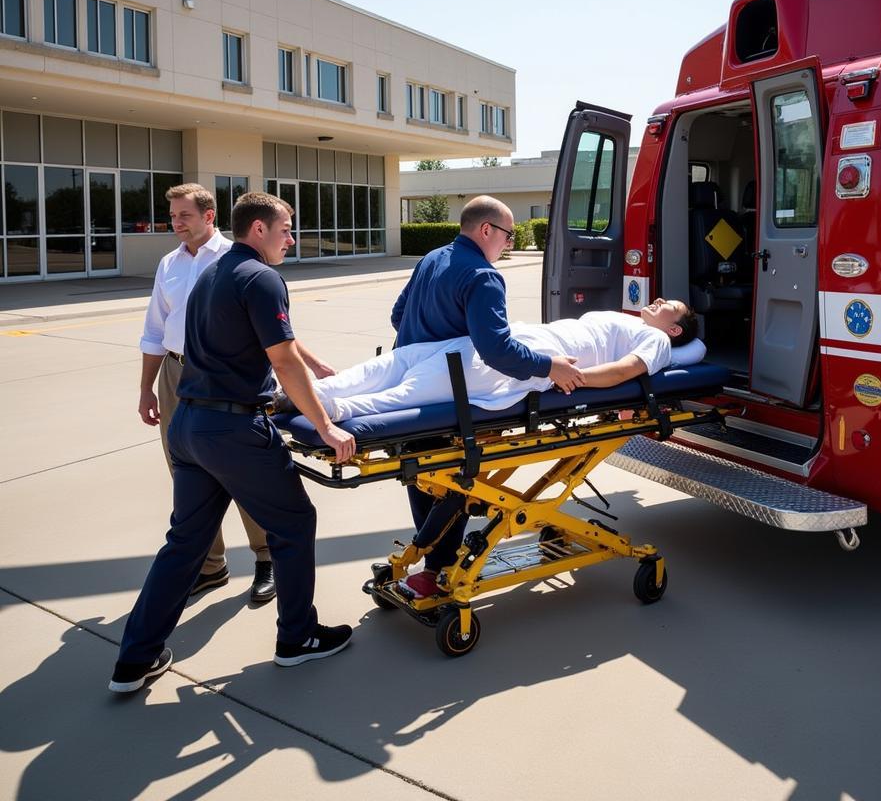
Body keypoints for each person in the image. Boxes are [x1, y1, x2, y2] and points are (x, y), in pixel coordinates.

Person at [109, 192, 356, 694]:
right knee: (294, 521)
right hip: (232, 430)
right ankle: (298, 638)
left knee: (184, 542)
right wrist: (325, 427)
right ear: (258, 230)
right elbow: (284, 361)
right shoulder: (261, 278)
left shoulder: (209, 276)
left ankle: (134, 661)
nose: (292, 238)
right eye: (286, 228)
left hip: (189, 427)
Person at [139, 183, 332, 605]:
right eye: (172, 216)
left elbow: (274, 336)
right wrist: (146, 389)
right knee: (188, 475)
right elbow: (155, 329)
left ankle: (266, 558)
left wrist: (311, 364)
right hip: (180, 377)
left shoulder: (230, 262)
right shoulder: (170, 264)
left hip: (225, 386)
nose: (175, 223)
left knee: (242, 476)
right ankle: (210, 567)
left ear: (209, 217)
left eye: (183, 215)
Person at [389, 195, 585, 598]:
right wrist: (551, 367)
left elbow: (398, 315)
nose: (509, 244)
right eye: (508, 236)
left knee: (424, 476)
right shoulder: (483, 275)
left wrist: (431, 345)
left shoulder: (431, 258)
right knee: (457, 482)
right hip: (449, 398)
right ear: (486, 231)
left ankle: (430, 558)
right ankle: (439, 568)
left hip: (408, 391)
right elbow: (497, 349)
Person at [288, 299, 700, 421]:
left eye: (671, 306)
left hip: (520, 366)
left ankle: (330, 409)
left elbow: (625, 372)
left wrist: (573, 379)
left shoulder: (656, 341)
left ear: (675, 330)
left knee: (406, 393)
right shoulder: (628, 319)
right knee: (397, 363)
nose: (659, 300)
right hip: (505, 342)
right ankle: (304, 393)